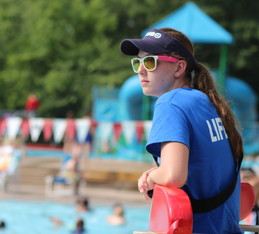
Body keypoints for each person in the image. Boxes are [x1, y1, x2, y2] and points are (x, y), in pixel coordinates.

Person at [120, 28, 244, 233]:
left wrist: (149, 179)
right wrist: (161, 170)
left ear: (179, 68)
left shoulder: (170, 103)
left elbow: (173, 176)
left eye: (150, 61)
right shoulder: (207, 101)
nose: (141, 70)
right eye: (137, 62)